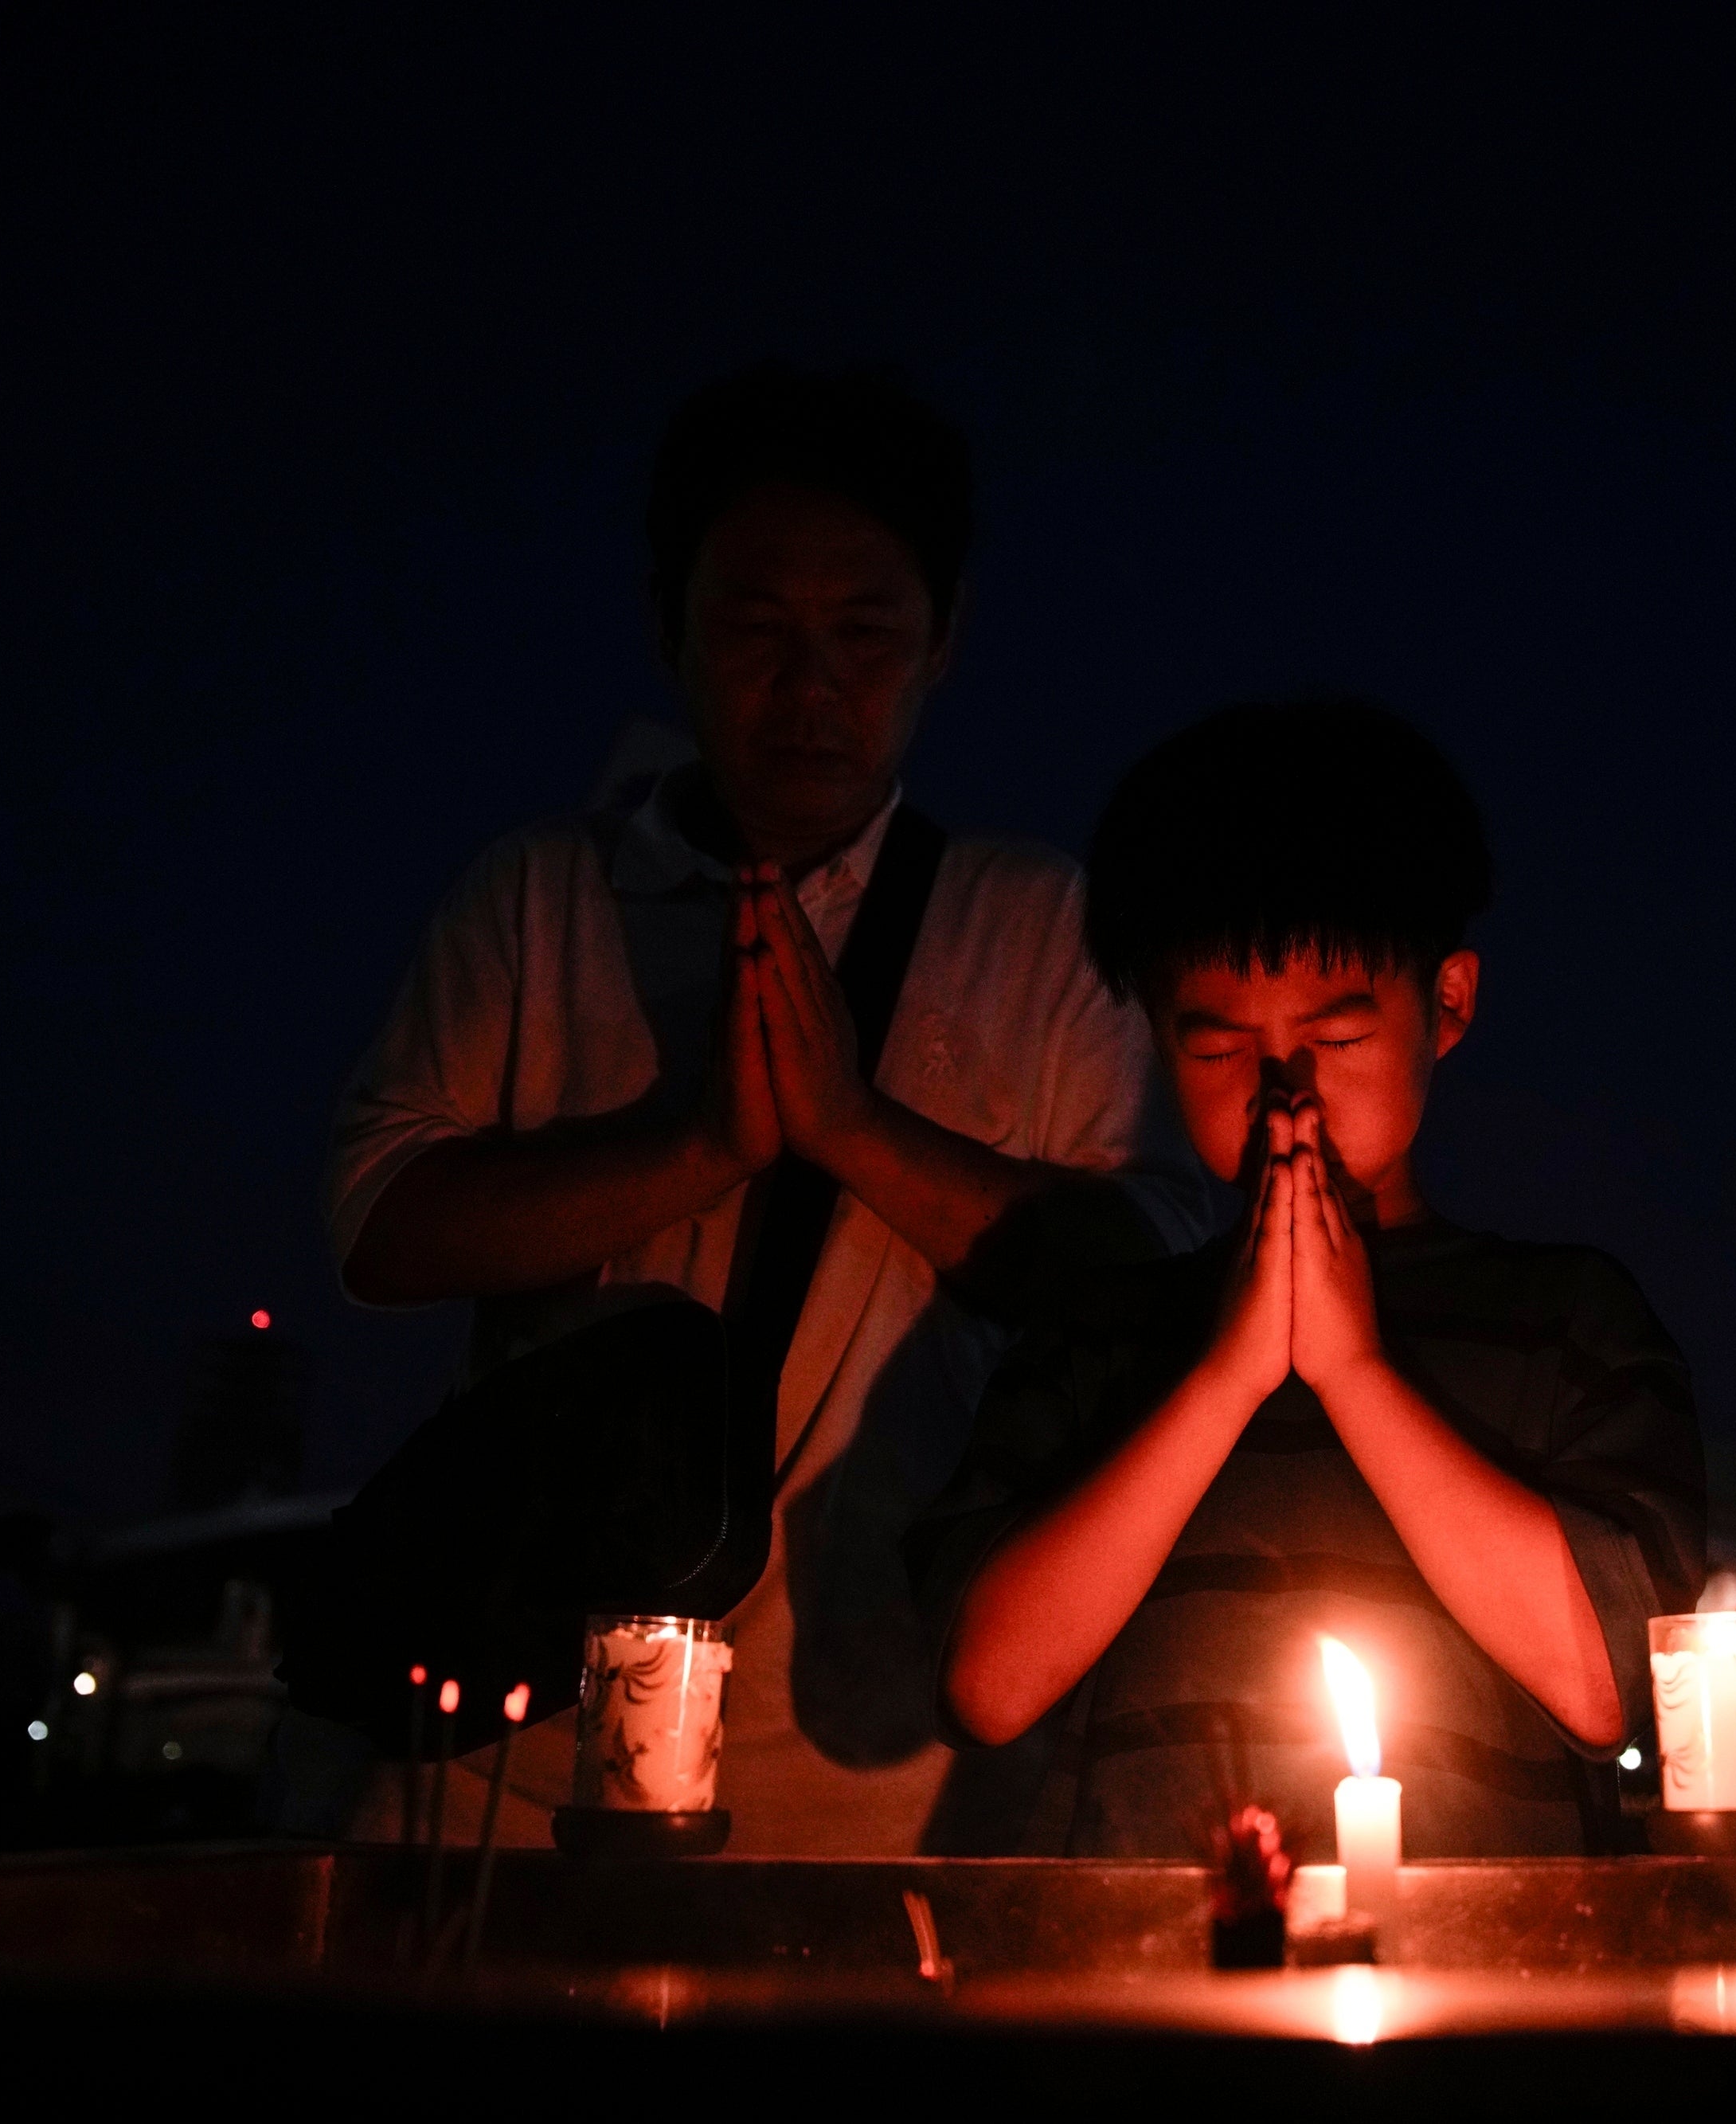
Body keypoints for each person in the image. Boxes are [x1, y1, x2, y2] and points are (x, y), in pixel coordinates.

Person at [318, 366, 1206, 1852]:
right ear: (671, 626)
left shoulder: (1041, 922)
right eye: (754, 629)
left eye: (864, 633)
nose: (810, 688)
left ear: (948, 638)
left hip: (877, 1773)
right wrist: (695, 1148)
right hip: (504, 1766)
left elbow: (1141, 1277)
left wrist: (851, 1128)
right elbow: (377, 1225)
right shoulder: (543, 895)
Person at [910, 699, 1704, 1859]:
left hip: (1495, 1980)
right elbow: (985, 1681)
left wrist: (1355, 1369)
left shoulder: (1566, 1319)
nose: (1284, 1089)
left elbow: (1604, 1681)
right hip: (1153, 1982)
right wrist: (1229, 1374)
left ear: (1448, 1005)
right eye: (1220, 1044)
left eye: (1334, 1039)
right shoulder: (1106, 1330)